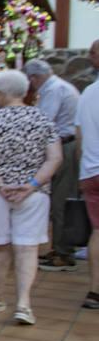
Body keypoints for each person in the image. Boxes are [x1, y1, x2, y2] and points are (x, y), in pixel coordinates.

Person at [0, 69, 62, 326]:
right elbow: (55, 158)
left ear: (0, 94)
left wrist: (0, 185)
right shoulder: (43, 120)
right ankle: (23, 304)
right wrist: (31, 185)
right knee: (27, 247)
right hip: (33, 193)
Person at [26, 59, 80, 272]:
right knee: (60, 200)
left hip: (64, 147)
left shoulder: (53, 90)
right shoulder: (60, 86)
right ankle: (60, 248)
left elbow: (43, 123)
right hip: (65, 146)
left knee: (60, 202)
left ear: (33, 78)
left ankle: (63, 252)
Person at [76, 42, 99, 310]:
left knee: (97, 232)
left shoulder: (88, 93)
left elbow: (80, 137)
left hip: (91, 170)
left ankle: (94, 291)